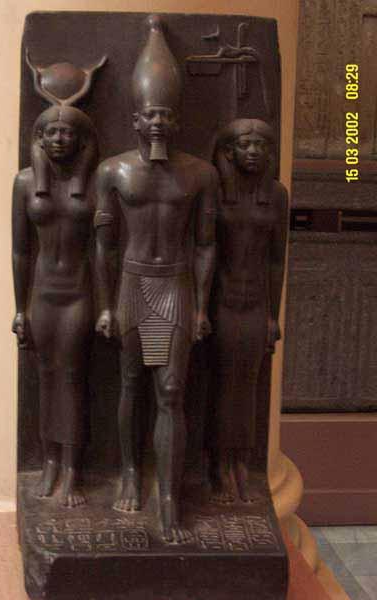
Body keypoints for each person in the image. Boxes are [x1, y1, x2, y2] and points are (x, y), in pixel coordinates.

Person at [95, 15, 218, 544]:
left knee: (169, 389)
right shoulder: (114, 172)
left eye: (166, 114)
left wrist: (201, 306)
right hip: (133, 284)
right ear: (135, 119)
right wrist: (105, 304)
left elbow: (206, 244)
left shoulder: (199, 174)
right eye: (150, 114)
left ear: (177, 119)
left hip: (174, 287)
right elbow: (104, 245)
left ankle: (168, 493)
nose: (158, 122)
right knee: (132, 381)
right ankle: (129, 471)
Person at [12, 104, 97, 507]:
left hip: (79, 293)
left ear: (81, 141)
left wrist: (106, 304)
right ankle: (49, 460)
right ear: (40, 139)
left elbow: (104, 251)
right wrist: (20, 308)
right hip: (42, 294)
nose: (60, 139)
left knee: (72, 378)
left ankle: (72, 467)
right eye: (52, 133)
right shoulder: (25, 182)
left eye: (67, 133)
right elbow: (20, 251)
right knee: (46, 377)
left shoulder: (95, 183)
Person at [208, 118, 288, 504]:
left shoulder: (277, 195)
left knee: (251, 385)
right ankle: (220, 463)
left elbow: (276, 259)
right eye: (245, 144)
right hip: (222, 301)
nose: (253, 151)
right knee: (226, 384)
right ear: (229, 151)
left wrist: (273, 314)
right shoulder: (215, 191)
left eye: (260, 145)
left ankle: (242, 461)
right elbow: (203, 251)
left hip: (257, 302)